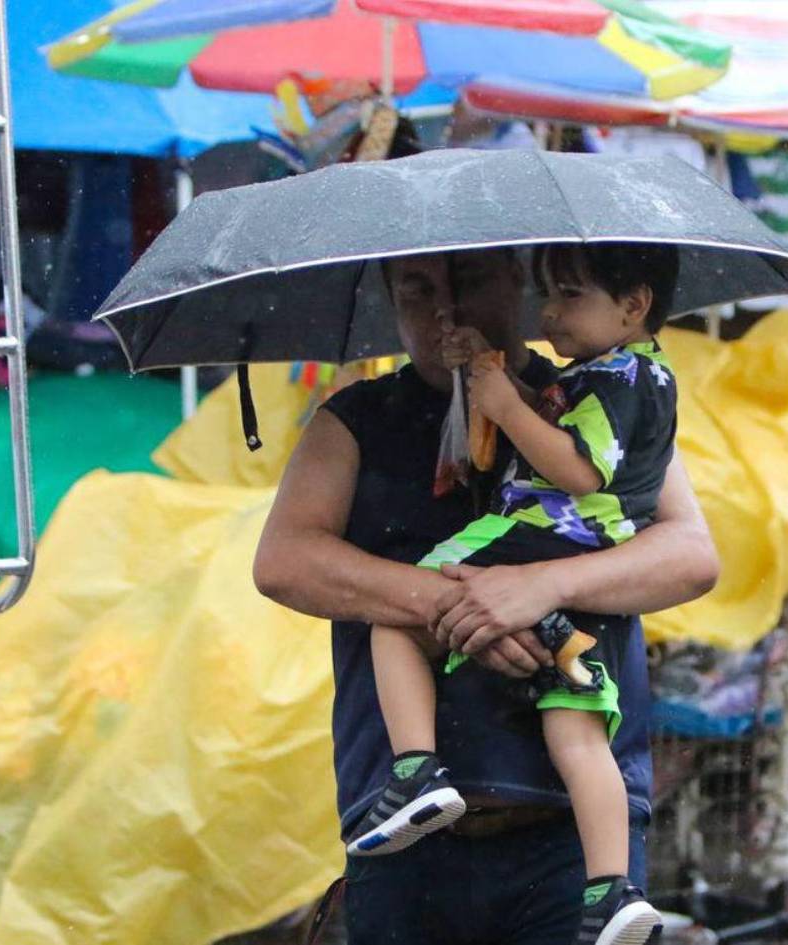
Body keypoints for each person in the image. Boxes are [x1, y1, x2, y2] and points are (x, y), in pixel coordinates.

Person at [253, 246, 720, 945]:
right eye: (416, 288)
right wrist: (449, 604)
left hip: (572, 837)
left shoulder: (592, 401)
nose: (446, 308)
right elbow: (284, 560)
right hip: (409, 838)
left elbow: (689, 554)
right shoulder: (355, 418)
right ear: (389, 300)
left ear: (517, 284)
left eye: (470, 280)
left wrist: (541, 586)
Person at [353, 242, 680, 943]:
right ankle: (611, 891)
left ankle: (414, 768)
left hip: (551, 534)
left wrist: (501, 402)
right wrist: (500, 386)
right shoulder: (620, 374)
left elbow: (581, 469)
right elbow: (280, 563)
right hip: (586, 597)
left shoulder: (623, 378)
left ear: (634, 304)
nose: (550, 312)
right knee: (578, 729)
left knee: (408, 608)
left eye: (567, 294)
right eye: (415, 289)